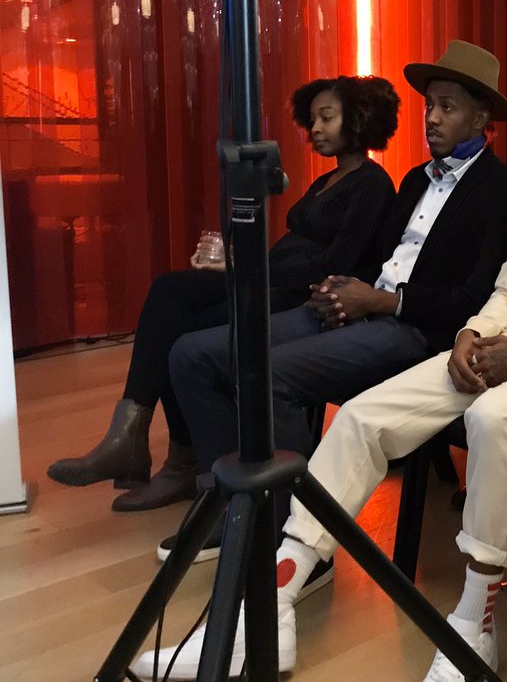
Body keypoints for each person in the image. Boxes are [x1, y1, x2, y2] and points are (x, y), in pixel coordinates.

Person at [134, 65, 507, 680]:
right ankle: (275, 598)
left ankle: (474, 623)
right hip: (502, 343)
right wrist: (471, 333)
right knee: (364, 417)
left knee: (494, 418)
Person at [159, 41, 507, 558]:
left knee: (270, 374)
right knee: (192, 355)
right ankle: (226, 502)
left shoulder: (506, 190)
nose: (432, 118)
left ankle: (292, 537)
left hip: (417, 333)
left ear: (480, 118)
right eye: (429, 105)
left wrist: (380, 302)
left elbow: (474, 298)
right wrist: (341, 290)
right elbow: (379, 258)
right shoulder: (414, 179)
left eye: (448, 107)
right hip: (363, 311)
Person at [46, 75, 400, 512]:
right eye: (312, 120)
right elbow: (296, 251)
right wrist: (243, 260)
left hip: (300, 296)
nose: (315, 129)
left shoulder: (372, 183)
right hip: (273, 280)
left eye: (327, 118)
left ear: (360, 120)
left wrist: (246, 266)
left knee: (181, 332)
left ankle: (175, 459)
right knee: (169, 292)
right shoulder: (325, 181)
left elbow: (332, 264)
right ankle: (131, 433)